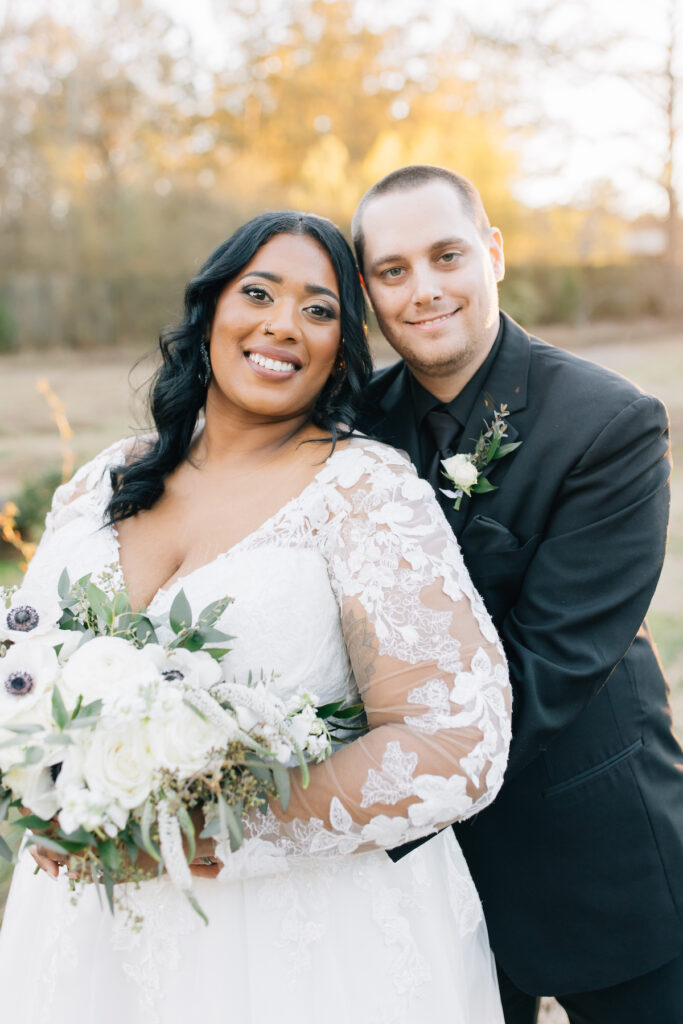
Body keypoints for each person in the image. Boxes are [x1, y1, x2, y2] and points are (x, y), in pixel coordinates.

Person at [0, 210, 511, 1023]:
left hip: (293, 946)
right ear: (210, 312)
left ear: (341, 351)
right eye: (259, 292)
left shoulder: (366, 494)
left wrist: (223, 831)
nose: (282, 323)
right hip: (79, 919)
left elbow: (456, 741)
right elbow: (20, 659)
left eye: (318, 310)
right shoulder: (106, 477)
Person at [352, 165, 683, 1024]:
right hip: (420, 885)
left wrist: (353, 796)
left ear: (492, 254)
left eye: (446, 256)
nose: (422, 291)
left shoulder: (609, 424)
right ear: (367, 290)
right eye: (392, 271)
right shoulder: (349, 429)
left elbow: (555, 662)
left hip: (594, 853)